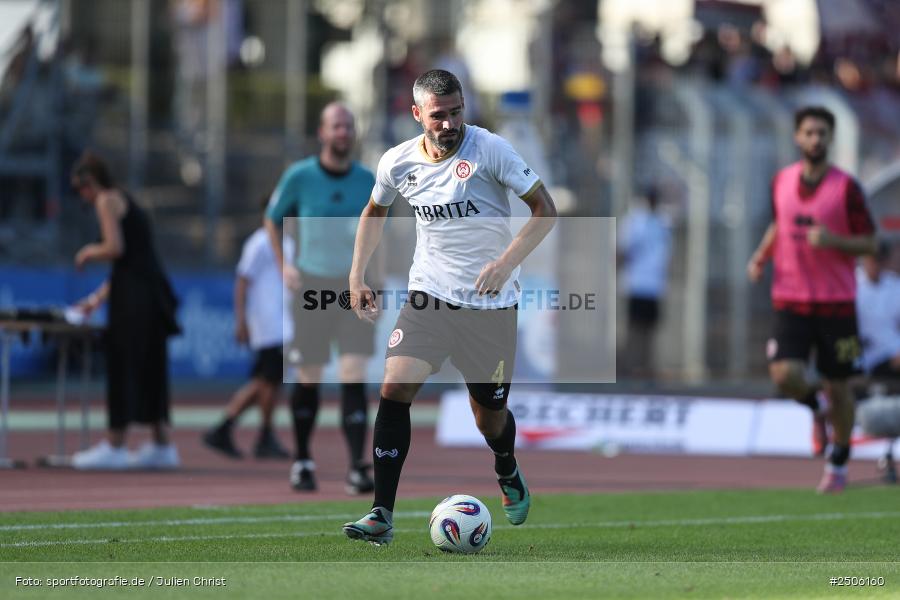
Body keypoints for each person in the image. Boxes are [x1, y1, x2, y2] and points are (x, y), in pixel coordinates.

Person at [342, 69, 557, 545]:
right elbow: (374, 212)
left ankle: (506, 466)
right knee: (395, 385)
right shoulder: (397, 162)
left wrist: (505, 263)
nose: (449, 123)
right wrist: (357, 275)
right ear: (417, 114)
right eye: (438, 115)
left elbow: (546, 209)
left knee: (490, 419)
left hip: (490, 306)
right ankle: (381, 513)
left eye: (456, 112)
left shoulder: (491, 150)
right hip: (430, 296)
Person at [747, 106, 877, 494]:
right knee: (783, 374)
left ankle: (838, 462)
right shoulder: (781, 181)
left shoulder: (846, 188)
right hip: (791, 297)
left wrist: (835, 241)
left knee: (841, 387)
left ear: (830, 139)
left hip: (836, 303)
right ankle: (814, 406)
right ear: (797, 137)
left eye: (822, 133)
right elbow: (780, 224)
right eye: (809, 132)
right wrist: (760, 255)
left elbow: (870, 241)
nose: (815, 139)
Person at [264, 102, 377, 495]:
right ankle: (302, 460)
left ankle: (358, 467)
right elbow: (271, 217)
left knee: (354, 374)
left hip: (355, 288)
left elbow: (386, 230)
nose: (343, 132)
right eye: (336, 126)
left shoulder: (369, 180)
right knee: (308, 376)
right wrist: (284, 265)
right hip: (312, 284)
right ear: (322, 132)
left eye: (348, 125)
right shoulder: (299, 176)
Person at [70, 152, 181, 470]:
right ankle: (163, 444)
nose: (83, 198)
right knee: (150, 368)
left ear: (90, 182)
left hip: (134, 301)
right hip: (151, 295)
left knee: (123, 364)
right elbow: (130, 263)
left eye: (81, 190)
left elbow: (115, 249)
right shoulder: (126, 200)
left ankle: (116, 444)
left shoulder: (106, 200)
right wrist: (96, 299)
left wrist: (88, 251)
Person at [203, 194, 293, 460]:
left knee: (269, 382)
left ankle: (238, 430)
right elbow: (242, 281)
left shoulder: (284, 242)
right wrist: (241, 320)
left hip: (282, 322)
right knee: (266, 381)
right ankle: (240, 429)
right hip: (269, 323)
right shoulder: (259, 242)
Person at [617, 186, 672, 379]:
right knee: (634, 327)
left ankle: (646, 366)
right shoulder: (635, 221)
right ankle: (629, 365)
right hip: (637, 282)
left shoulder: (663, 222)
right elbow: (622, 250)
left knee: (650, 327)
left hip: (654, 284)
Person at [856, 243, 900, 382]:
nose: (874, 264)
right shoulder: (852, 283)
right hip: (863, 357)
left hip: (892, 353)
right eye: (871, 259)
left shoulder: (895, 284)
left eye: (878, 259)